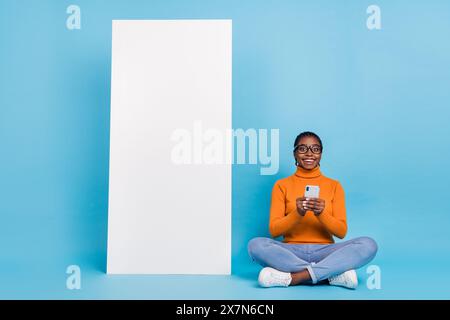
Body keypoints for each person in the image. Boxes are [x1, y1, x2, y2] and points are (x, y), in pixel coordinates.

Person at [247, 131, 378, 289]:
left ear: (321, 154)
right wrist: (298, 213)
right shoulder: (281, 185)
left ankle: (295, 278)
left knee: (368, 244)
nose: (309, 153)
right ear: (295, 153)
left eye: (315, 149)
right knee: (255, 245)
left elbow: (341, 232)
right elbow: (274, 231)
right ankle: (331, 275)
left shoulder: (334, 186)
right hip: (291, 252)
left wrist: (321, 213)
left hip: (326, 252)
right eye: (302, 148)